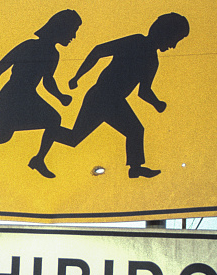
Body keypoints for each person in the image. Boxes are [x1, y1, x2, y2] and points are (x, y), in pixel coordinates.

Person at [28, 12, 190, 179]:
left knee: (76, 137)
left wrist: (156, 103)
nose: (173, 46)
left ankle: (135, 168)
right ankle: (45, 144)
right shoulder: (136, 41)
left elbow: (144, 91)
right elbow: (99, 51)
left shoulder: (153, 60)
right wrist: (78, 76)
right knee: (126, 131)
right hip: (101, 96)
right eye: (174, 40)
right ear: (165, 33)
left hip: (113, 101)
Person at [0, 9, 82, 175]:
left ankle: (39, 159)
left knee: (52, 120)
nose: (73, 36)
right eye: (72, 31)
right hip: (12, 95)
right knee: (2, 136)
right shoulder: (29, 46)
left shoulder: (53, 54)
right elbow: (3, 65)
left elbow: (47, 81)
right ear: (61, 28)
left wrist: (60, 96)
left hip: (28, 97)